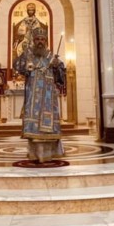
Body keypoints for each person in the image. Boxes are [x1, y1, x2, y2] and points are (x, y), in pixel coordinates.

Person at [13, 28, 66, 164]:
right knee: (34, 123)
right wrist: (25, 65)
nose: (40, 42)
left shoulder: (51, 56)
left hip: (48, 96)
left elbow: (61, 75)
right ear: (34, 40)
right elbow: (17, 65)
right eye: (37, 39)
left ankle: (49, 153)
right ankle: (34, 154)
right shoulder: (28, 54)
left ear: (46, 41)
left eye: (42, 39)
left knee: (48, 122)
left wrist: (56, 67)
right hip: (33, 96)